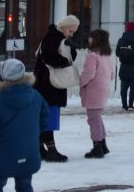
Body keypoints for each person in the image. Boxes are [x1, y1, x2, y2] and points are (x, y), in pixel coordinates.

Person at [0, 58, 49, 192]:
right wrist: (33, 135)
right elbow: (45, 119)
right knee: (24, 186)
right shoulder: (36, 96)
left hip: (3, 154)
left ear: (2, 77)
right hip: (29, 152)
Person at [33, 14, 80, 162]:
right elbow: (49, 56)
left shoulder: (56, 37)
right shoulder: (54, 37)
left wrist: (72, 50)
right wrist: (65, 61)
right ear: (65, 27)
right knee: (49, 117)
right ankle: (51, 150)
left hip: (45, 83)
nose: (71, 34)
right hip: (49, 84)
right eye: (71, 31)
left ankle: (40, 148)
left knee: (44, 117)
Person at [80, 29, 114, 158]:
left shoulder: (92, 56)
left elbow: (89, 74)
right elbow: (111, 74)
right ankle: (103, 145)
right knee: (97, 117)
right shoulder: (106, 56)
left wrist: (81, 82)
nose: (89, 39)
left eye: (91, 37)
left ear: (96, 40)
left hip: (94, 90)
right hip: (103, 89)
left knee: (93, 119)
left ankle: (97, 147)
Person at [115, 21, 134, 110]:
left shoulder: (121, 39)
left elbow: (117, 53)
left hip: (124, 67)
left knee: (124, 87)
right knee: (133, 87)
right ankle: (131, 105)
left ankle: (124, 105)